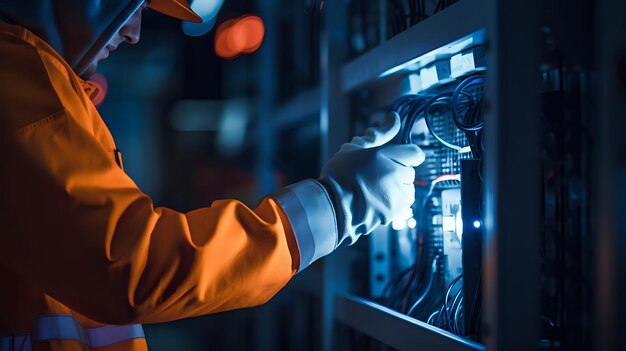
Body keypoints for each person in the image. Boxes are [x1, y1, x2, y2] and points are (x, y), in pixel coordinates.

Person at [0, 0, 424, 350]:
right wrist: (335, 206)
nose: (134, 32)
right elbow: (131, 266)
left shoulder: (37, 81)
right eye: (132, 5)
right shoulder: (16, 74)